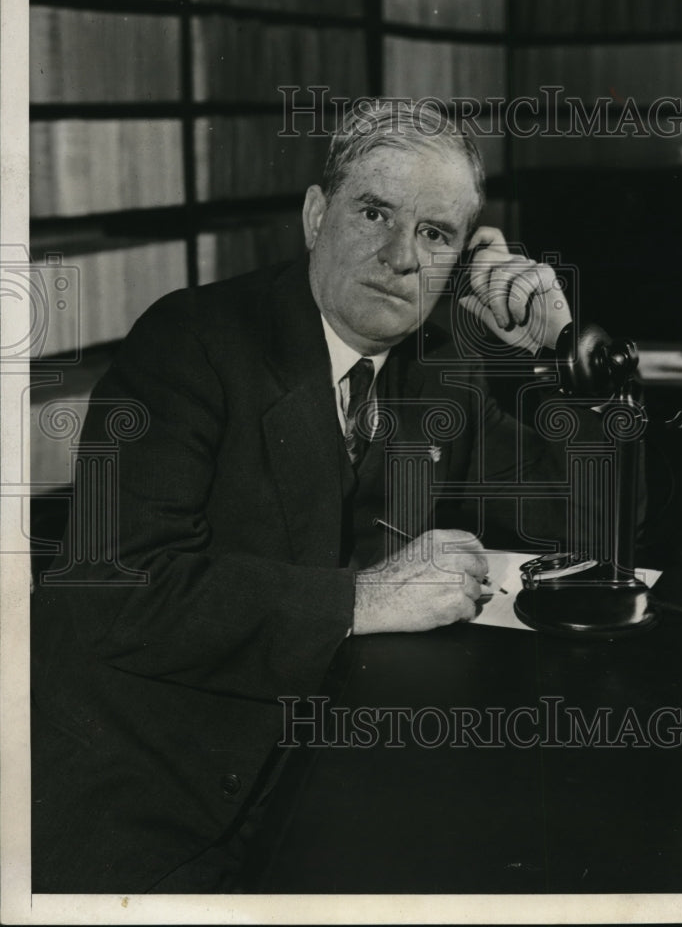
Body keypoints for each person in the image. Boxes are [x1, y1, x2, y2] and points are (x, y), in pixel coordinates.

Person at [31, 101, 596, 893]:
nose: (401, 257)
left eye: (435, 234)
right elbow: (117, 591)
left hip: (323, 774)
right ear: (314, 214)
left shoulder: (436, 375)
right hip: (148, 794)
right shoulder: (192, 341)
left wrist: (560, 355)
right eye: (374, 213)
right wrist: (359, 598)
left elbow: (585, 522)